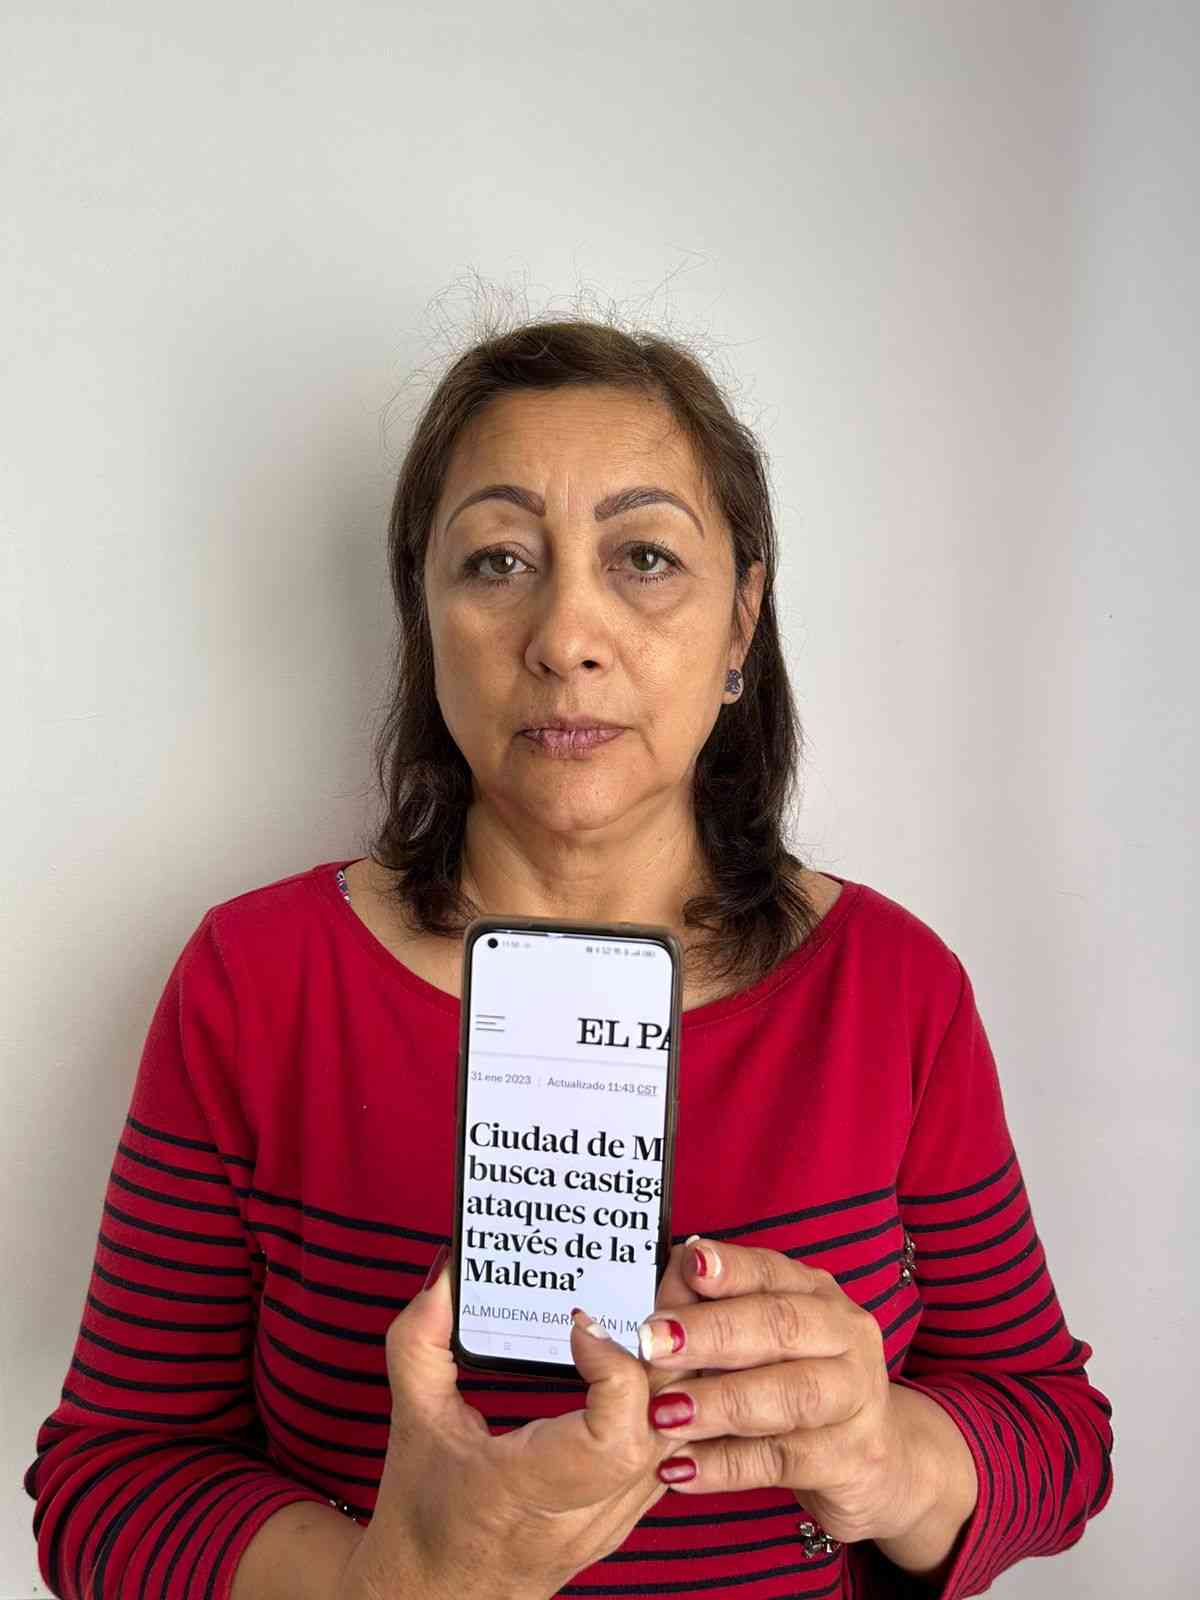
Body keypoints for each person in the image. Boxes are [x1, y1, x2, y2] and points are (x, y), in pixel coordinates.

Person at [23, 317, 1114, 1600]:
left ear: (741, 621)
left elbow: (1059, 1435)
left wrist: (888, 1459)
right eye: (498, 560)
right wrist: (389, 1582)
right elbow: (107, 1484)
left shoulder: (893, 988)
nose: (566, 635)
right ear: (424, 616)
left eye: (644, 557)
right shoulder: (258, 983)